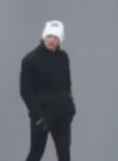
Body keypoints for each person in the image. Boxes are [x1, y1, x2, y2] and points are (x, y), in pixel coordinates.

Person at [19, 20, 75, 161]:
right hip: (42, 116)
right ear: (44, 36)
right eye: (50, 36)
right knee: (36, 153)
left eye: (56, 38)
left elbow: (67, 83)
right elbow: (25, 92)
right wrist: (39, 117)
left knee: (64, 154)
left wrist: (70, 105)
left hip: (62, 115)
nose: (52, 40)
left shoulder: (63, 57)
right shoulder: (30, 60)